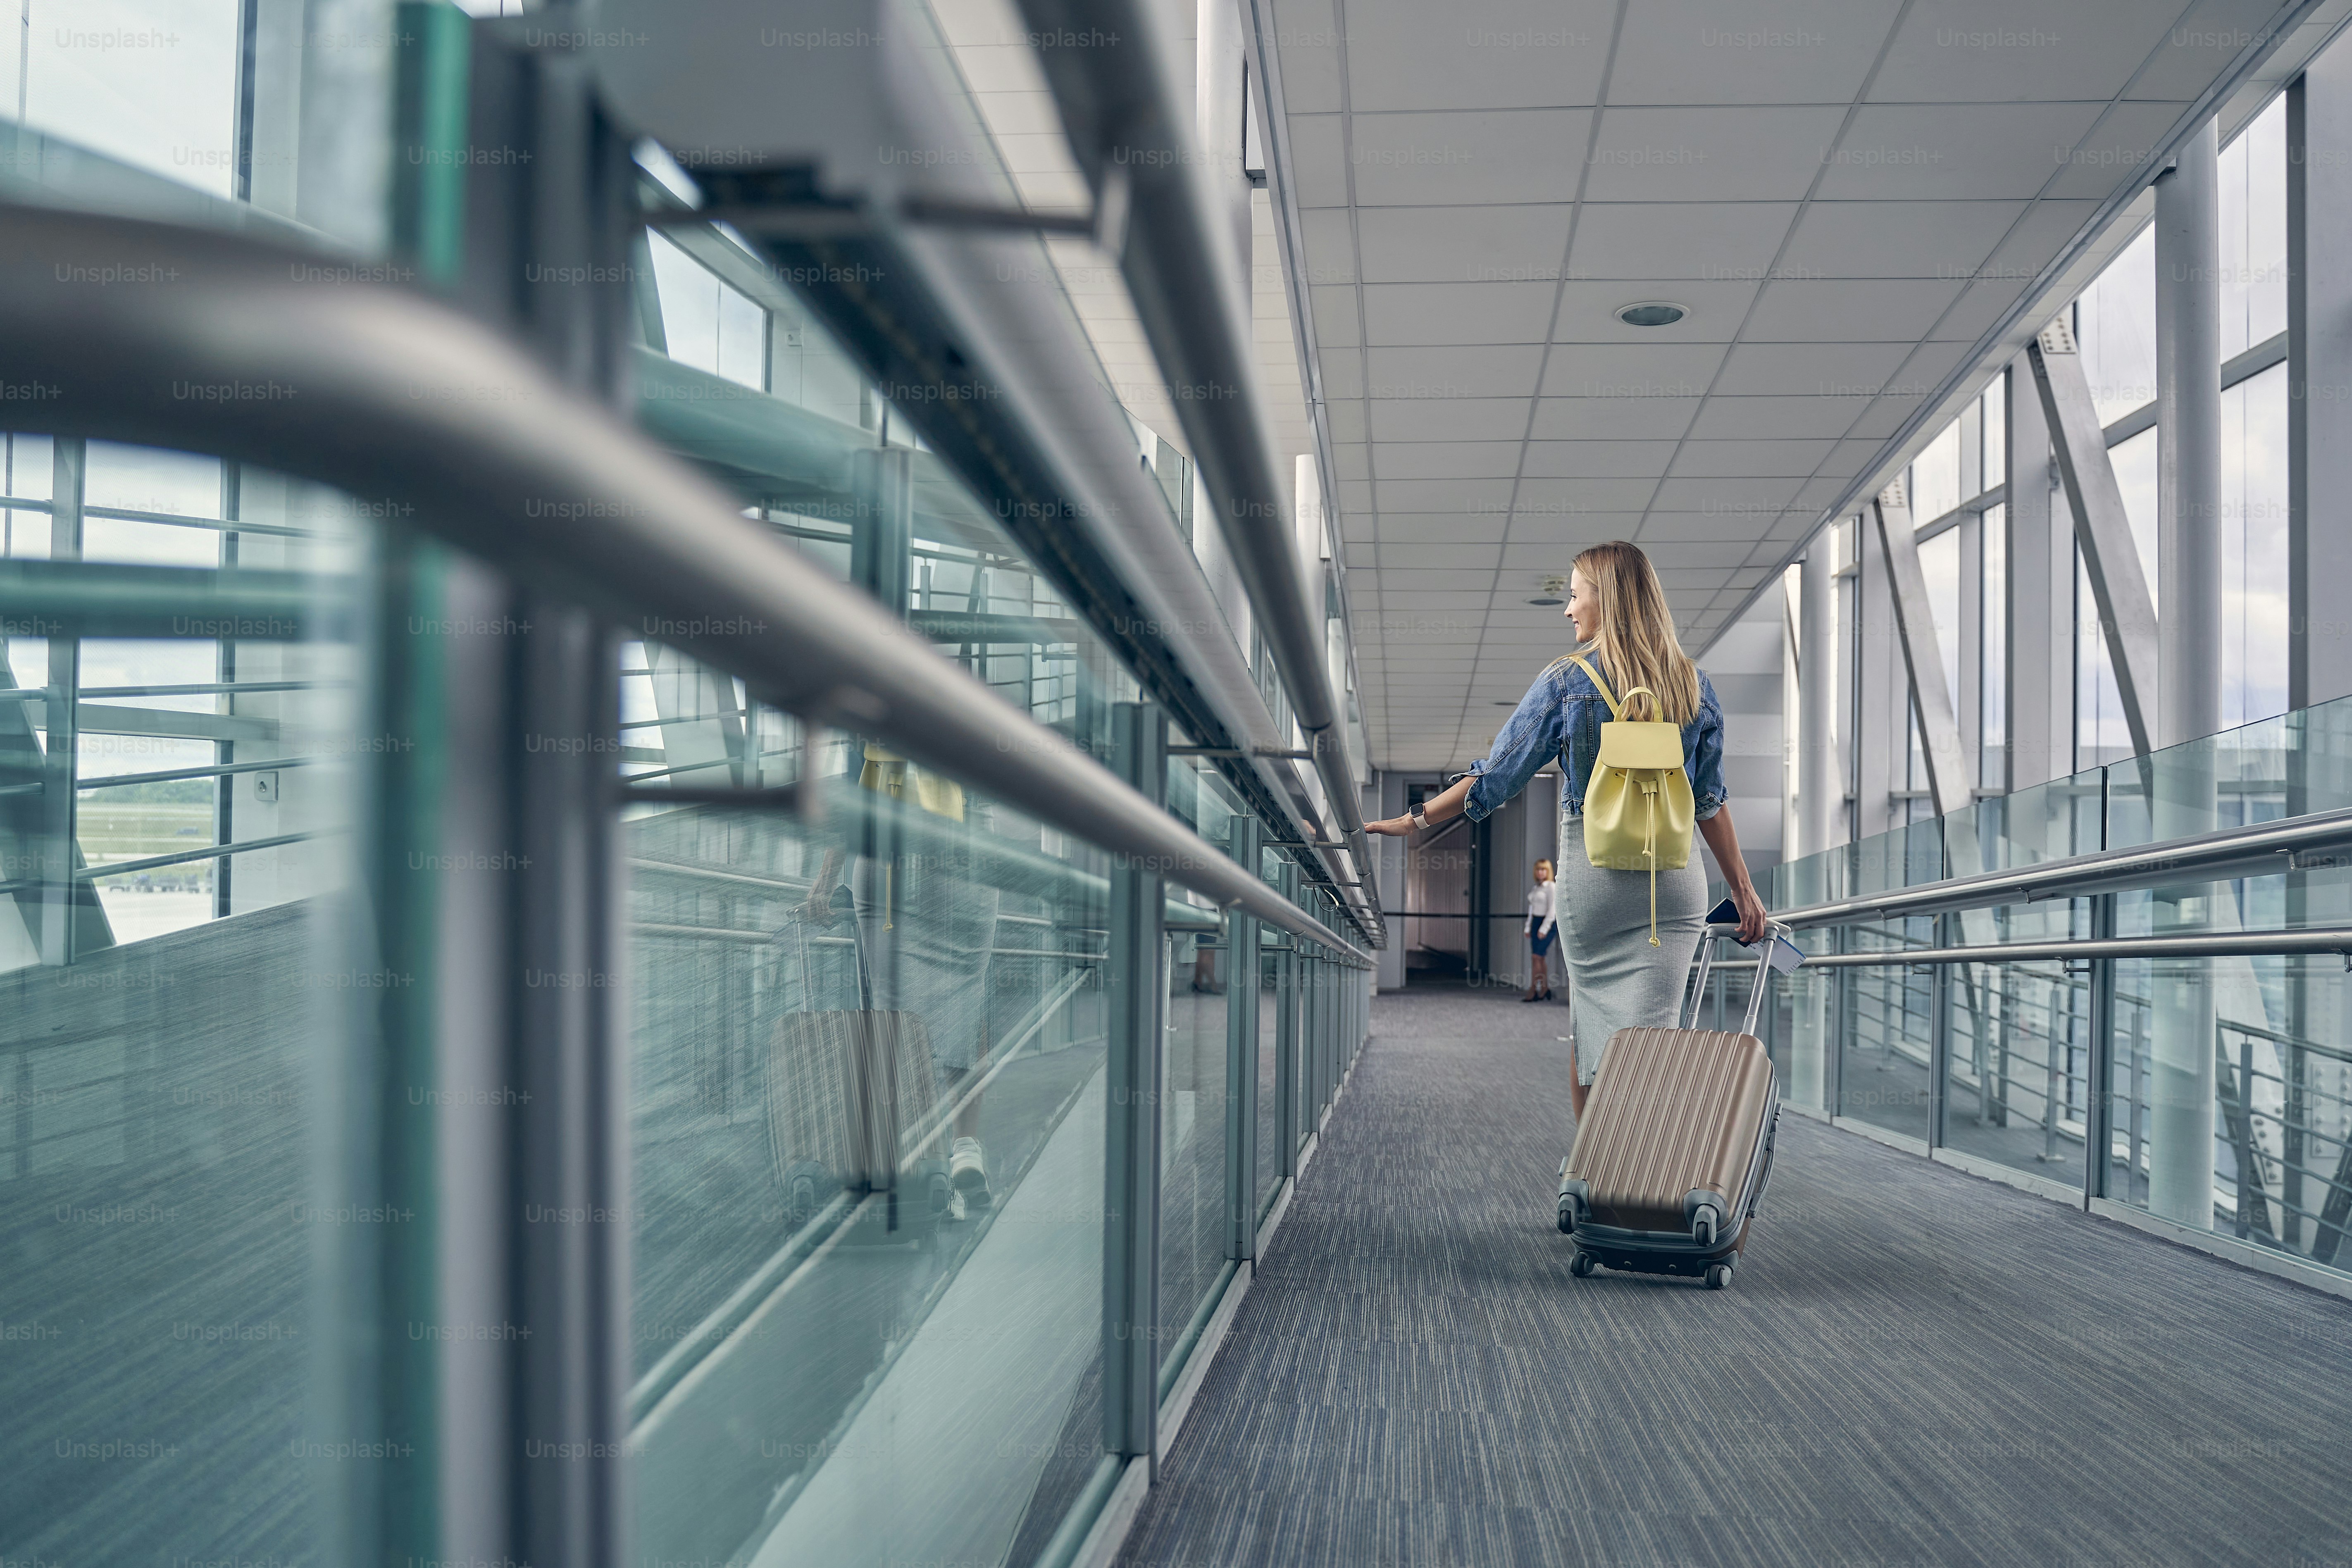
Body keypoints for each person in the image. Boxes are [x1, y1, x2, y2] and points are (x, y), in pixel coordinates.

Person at [1367, 541, 1768, 1121]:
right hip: (1673, 888)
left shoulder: (1565, 680)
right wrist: (1743, 889)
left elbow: (1494, 778)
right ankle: (1648, 1170)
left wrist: (1415, 820)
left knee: (1589, 1027)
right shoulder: (1692, 685)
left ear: (1606, 599)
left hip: (1595, 877)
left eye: (1574, 595)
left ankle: (1590, 1173)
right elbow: (1708, 802)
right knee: (1652, 1038)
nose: (1567, 609)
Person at [1523, 858, 1557, 1003]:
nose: (1540, 872)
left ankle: (1533, 990)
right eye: (1538, 869)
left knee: (1536, 957)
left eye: (1543, 869)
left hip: (1547, 924)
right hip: (1536, 923)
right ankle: (1544, 989)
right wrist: (1528, 927)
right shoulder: (1536, 887)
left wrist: (1544, 928)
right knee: (1539, 958)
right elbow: (1532, 911)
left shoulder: (1551, 886)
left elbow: (1553, 909)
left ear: (1548, 871)